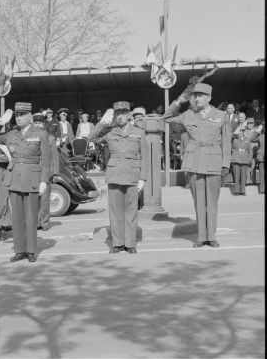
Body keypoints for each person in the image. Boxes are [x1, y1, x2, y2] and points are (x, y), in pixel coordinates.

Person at [163, 82, 231, 248]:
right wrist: (179, 101)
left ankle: (212, 236)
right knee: (199, 201)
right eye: (195, 95)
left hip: (214, 161)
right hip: (194, 162)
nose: (197, 98)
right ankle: (201, 237)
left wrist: (225, 163)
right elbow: (166, 117)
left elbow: (227, 142)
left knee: (212, 202)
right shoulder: (188, 115)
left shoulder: (221, 115)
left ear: (209, 98)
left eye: (201, 95)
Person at [0, 102, 51, 262]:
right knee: (17, 218)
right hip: (14, 179)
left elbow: (47, 160)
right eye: (17, 115)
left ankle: (31, 250)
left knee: (31, 217)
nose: (19, 118)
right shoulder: (11, 134)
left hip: (32, 179)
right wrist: (0, 122)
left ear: (30, 117)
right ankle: (20, 250)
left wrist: (44, 180)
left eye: (22, 115)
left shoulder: (41, 134)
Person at [87, 101, 148, 254]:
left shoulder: (139, 132)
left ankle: (130, 243)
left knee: (131, 211)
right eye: (118, 114)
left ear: (129, 115)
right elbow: (91, 137)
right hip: (114, 175)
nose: (121, 116)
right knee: (115, 211)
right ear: (114, 116)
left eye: (123, 113)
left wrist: (143, 178)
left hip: (132, 175)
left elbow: (145, 157)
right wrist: (102, 123)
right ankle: (118, 243)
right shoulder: (109, 132)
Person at [33, 113, 60, 231]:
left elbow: (55, 156)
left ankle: (44, 222)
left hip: (46, 171)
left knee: (44, 200)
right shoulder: (30, 137)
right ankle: (35, 222)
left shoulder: (50, 138)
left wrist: (55, 173)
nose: (37, 125)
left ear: (44, 125)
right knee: (33, 199)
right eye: (35, 123)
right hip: (33, 172)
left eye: (39, 123)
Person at [230, 123, 253, 196]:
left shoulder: (247, 140)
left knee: (243, 176)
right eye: (240, 131)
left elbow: (250, 151)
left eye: (242, 131)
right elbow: (231, 148)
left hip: (244, 159)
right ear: (238, 132)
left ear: (244, 132)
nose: (241, 133)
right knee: (236, 176)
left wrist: (249, 159)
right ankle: (236, 191)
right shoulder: (234, 139)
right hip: (236, 158)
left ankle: (243, 191)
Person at [250, 123, 265, 194]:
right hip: (262, 157)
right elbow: (252, 138)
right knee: (262, 174)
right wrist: (258, 130)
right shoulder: (261, 136)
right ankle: (262, 189)